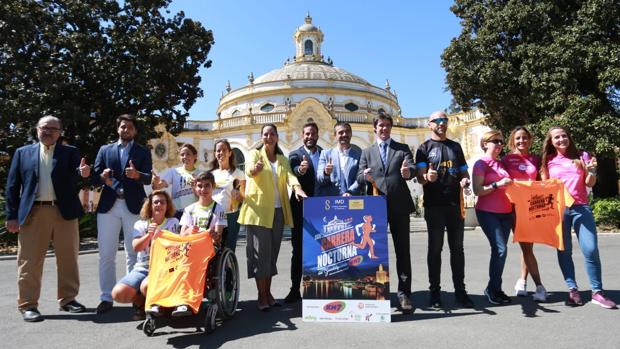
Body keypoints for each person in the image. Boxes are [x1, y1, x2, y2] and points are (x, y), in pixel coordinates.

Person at [5, 115, 89, 322]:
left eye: (53, 128)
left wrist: (85, 173)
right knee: (29, 261)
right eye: (44, 127)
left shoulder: (70, 152)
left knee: (68, 259)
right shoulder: (22, 153)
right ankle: (28, 304)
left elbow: (78, 173)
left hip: (64, 213)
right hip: (34, 213)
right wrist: (12, 215)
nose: (48, 131)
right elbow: (12, 186)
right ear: (37, 130)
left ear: (60, 132)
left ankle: (68, 300)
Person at [540, 126, 616, 309]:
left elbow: (590, 183)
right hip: (559, 210)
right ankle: (572, 290)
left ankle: (597, 292)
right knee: (564, 251)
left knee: (590, 249)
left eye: (564, 135)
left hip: (581, 208)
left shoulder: (583, 156)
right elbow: (543, 187)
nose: (561, 139)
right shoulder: (547, 161)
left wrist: (592, 171)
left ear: (569, 137)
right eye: (556, 137)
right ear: (551, 142)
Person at [238, 124, 307, 311]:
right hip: (258, 211)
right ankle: (262, 295)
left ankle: (267, 293)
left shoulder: (283, 160)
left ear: (277, 137)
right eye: (265, 134)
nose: (268, 137)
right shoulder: (255, 154)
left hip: (278, 211)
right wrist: (256, 169)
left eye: (271, 134)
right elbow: (249, 170)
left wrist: (297, 188)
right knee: (260, 256)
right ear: (262, 138)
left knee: (271, 257)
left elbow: (291, 177)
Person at [93, 114, 153, 314]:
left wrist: (137, 175)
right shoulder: (105, 150)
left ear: (134, 131)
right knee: (106, 254)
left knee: (134, 252)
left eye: (129, 127)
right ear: (117, 129)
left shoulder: (142, 152)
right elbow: (95, 174)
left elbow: (148, 178)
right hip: (109, 206)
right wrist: (101, 177)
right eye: (122, 127)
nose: (125, 130)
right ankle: (106, 297)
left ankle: (135, 298)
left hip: (133, 206)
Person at [357, 111, 416, 313]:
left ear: (391, 127)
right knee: (375, 253)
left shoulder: (402, 149)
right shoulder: (367, 152)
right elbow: (359, 176)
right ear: (375, 128)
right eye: (380, 125)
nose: (384, 129)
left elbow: (412, 168)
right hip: (375, 209)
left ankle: (404, 294)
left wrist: (409, 172)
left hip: (399, 206)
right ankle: (377, 293)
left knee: (403, 252)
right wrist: (364, 176)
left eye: (387, 125)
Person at [415, 111, 474, 309]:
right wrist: (427, 178)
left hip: (455, 205)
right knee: (435, 250)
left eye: (445, 120)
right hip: (434, 206)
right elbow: (420, 177)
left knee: (458, 250)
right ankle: (435, 293)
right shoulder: (423, 148)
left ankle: (461, 291)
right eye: (437, 121)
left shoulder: (455, 146)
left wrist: (465, 179)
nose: (442, 123)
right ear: (430, 124)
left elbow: (463, 170)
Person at [111, 190, 179, 320]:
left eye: (162, 202)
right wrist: (149, 235)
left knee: (146, 286)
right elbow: (136, 247)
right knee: (118, 294)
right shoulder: (140, 224)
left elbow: (176, 246)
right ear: (150, 205)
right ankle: (143, 305)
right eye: (156, 202)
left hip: (165, 267)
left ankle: (161, 307)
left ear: (167, 205)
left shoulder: (173, 222)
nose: (159, 205)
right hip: (143, 267)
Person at [501, 126, 547, 302]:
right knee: (525, 247)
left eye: (525, 138)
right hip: (510, 208)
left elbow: (543, 180)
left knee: (527, 247)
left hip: (530, 208)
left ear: (530, 140)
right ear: (513, 141)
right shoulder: (506, 159)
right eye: (518, 138)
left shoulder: (536, 159)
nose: (522, 141)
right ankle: (535, 285)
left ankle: (525, 282)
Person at [173, 171, 227, 316]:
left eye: (207, 186)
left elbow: (218, 236)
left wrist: (213, 234)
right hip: (190, 246)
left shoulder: (219, 209)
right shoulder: (189, 210)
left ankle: (187, 300)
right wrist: (190, 230)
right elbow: (182, 234)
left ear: (213, 187)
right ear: (195, 189)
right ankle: (177, 299)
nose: (203, 190)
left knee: (190, 262)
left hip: (209, 247)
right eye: (200, 186)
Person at [472, 130, 514, 305]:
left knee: (500, 252)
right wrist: (497, 184)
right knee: (500, 249)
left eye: (500, 141)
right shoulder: (481, 164)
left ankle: (496, 288)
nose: (498, 144)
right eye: (494, 141)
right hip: (487, 212)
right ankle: (492, 288)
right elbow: (477, 190)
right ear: (485, 144)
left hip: (506, 212)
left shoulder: (502, 164)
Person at [285, 122, 322, 303]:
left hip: (321, 211)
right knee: (298, 251)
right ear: (302, 135)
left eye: (313, 133)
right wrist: (301, 170)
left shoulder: (324, 154)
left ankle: (318, 288)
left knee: (320, 250)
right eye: (307, 133)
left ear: (317, 135)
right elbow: (292, 170)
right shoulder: (295, 154)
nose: (310, 136)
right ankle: (294, 289)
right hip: (300, 210)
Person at [208, 139, 245, 252]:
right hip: (213, 216)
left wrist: (239, 196)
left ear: (230, 153)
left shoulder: (238, 173)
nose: (221, 153)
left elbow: (244, 196)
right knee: (212, 248)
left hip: (231, 215)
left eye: (224, 150)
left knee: (229, 249)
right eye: (218, 150)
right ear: (215, 154)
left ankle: (228, 270)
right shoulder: (211, 174)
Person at [151, 143, 200, 219]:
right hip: (177, 213)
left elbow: (205, 195)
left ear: (195, 156)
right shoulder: (174, 172)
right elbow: (157, 187)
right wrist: (155, 182)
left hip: (195, 212)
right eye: (182, 154)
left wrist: (196, 188)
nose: (185, 157)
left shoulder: (201, 174)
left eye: (188, 154)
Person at [317, 122, 363, 197]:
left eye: (347, 131)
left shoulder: (359, 155)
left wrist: (350, 192)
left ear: (351, 134)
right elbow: (319, 178)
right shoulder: (325, 154)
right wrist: (325, 173)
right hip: (331, 201)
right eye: (341, 132)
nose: (344, 134)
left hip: (352, 199)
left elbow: (360, 179)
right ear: (335, 135)